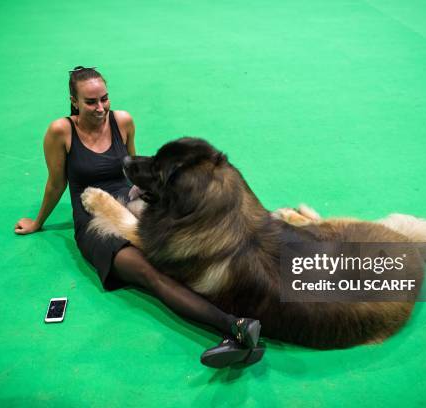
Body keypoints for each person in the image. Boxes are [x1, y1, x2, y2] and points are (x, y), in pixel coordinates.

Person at [14, 66, 265, 368]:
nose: (100, 108)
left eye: (104, 99)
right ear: (74, 101)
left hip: (133, 206)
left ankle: (254, 312)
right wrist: (37, 222)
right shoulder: (60, 132)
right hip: (96, 221)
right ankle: (234, 327)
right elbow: (56, 182)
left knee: (188, 257)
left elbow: (135, 172)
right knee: (151, 273)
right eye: (91, 102)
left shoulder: (122, 121)